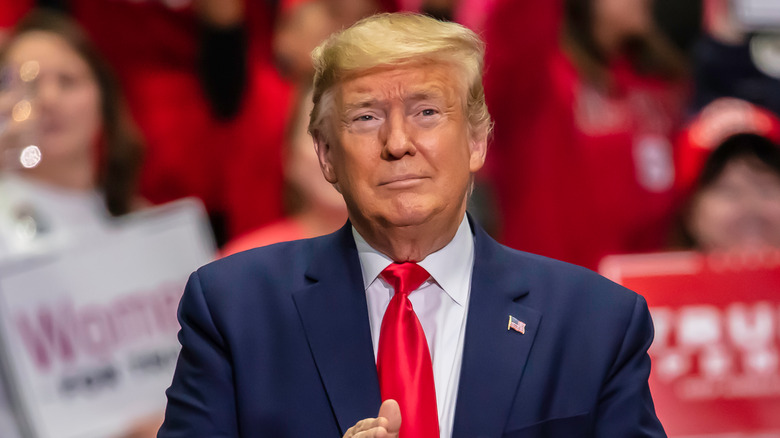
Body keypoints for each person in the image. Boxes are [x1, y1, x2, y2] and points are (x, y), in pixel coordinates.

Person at [159, 13, 665, 437]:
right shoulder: (234, 310)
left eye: (426, 111)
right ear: (327, 155)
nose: (398, 142)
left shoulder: (596, 323)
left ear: (476, 141)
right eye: (365, 117)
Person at [482, 0, 700, 269]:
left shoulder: (658, 79)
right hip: (554, 289)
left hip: (644, 290)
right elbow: (511, 27)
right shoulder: (539, 82)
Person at [0, 8, 143, 259]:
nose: (48, 99)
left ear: (104, 99)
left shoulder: (142, 219)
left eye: (67, 81)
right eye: (27, 84)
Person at [674, 98, 780, 251]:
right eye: (729, 192)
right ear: (689, 212)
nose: (750, 206)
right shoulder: (637, 273)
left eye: (766, 189)